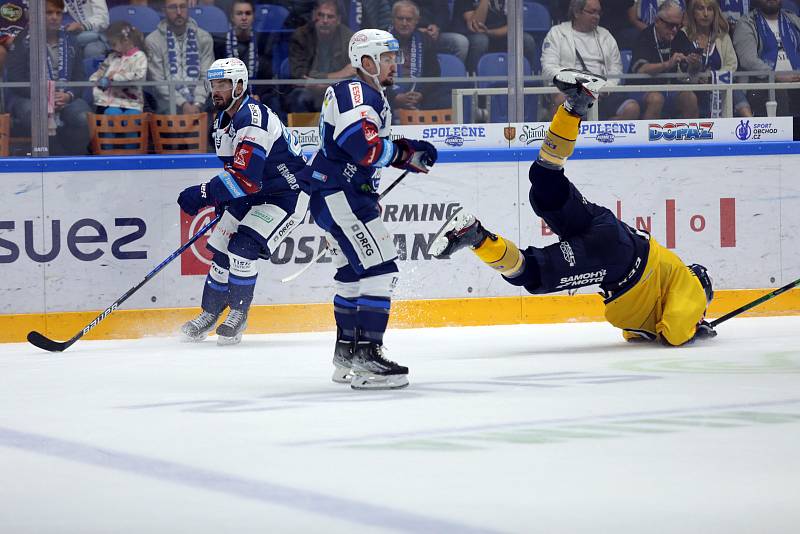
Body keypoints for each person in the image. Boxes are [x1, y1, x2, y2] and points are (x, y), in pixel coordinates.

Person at [431, 68, 717, 347]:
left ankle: (576, 105)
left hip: (612, 235)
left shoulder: (664, 289)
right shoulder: (690, 287)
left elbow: (639, 331)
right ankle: (476, 237)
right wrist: (695, 327)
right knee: (531, 274)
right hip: (615, 258)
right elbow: (675, 331)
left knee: (545, 182)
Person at [300, 28, 437, 389]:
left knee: (353, 274)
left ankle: (346, 355)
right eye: (387, 58)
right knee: (380, 268)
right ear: (366, 61)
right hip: (341, 195)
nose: (394, 64)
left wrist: (404, 154)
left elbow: (365, 148)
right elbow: (362, 146)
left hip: (339, 193)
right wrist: (405, 152)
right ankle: (367, 357)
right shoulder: (356, 91)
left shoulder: (366, 93)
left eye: (394, 57)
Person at [177, 57, 310, 345]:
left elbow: (246, 178)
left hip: (286, 194)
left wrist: (202, 193)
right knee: (221, 250)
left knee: (243, 247)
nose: (216, 90)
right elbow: (235, 171)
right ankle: (210, 313)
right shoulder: (222, 120)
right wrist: (222, 201)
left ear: (239, 85)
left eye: (223, 83)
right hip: (254, 193)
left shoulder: (253, 119)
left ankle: (238, 313)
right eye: (214, 83)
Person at [7, 0, 91, 155]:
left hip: (64, 96)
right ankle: (54, 159)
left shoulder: (71, 40)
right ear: (38, 15)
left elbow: (80, 77)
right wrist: (43, 94)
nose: (54, 17)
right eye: (49, 13)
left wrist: (68, 95)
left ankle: (74, 160)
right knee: (38, 115)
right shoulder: (23, 40)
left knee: (83, 117)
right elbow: (14, 78)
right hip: (30, 96)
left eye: (58, 13)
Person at [541, 0, 640, 119]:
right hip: (571, 90)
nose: (596, 16)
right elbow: (548, 69)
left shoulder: (606, 35)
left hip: (602, 92)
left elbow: (616, 69)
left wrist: (605, 88)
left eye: (598, 13)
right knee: (561, 100)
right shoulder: (557, 33)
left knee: (632, 109)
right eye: (592, 12)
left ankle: (603, 135)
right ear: (577, 13)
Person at [630, 0, 702, 118]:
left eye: (678, 25)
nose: (674, 30)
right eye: (670, 25)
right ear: (657, 21)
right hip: (642, 89)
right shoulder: (645, 36)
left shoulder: (679, 36)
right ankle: (647, 136)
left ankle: (691, 135)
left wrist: (694, 63)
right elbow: (641, 69)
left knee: (690, 98)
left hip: (670, 89)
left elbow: (691, 69)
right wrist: (667, 64)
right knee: (657, 99)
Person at [146, 0, 215, 114]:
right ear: (164, 11)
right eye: (173, 7)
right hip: (167, 101)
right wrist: (183, 103)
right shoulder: (153, 41)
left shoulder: (204, 37)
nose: (179, 12)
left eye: (182, 7)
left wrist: (198, 103)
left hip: (201, 98)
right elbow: (158, 81)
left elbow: (207, 75)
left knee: (213, 108)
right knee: (166, 109)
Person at [732, 0, 800, 116]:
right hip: (761, 84)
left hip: (796, 79)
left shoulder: (794, 20)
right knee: (778, 90)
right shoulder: (746, 23)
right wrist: (775, 76)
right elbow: (748, 60)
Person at [683, 0, 750, 117]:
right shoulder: (683, 35)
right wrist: (695, 78)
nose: (705, 14)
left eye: (710, 9)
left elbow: (732, 64)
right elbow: (679, 67)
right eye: (700, 8)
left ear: (715, 13)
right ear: (693, 12)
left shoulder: (722, 36)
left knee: (735, 92)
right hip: (692, 88)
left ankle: (751, 124)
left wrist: (713, 78)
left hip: (720, 87)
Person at [286, 0, 355, 113]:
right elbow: (299, 75)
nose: (325, 21)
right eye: (321, 15)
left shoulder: (349, 38)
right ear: (314, 16)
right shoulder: (301, 36)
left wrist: (319, 84)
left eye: (330, 16)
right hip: (308, 91)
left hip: (338, 89)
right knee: (299, 98)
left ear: (338, 20)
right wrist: (339, 75)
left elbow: (353, 75)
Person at [213, 0, 279, 107]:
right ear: (232, 17)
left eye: (248, 13)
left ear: (253, 17)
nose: (244, 18)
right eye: (239, 13)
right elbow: (217, 79)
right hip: (229, 97)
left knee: (274, 102)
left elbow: (267, 78)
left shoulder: (262, 43)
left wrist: (259, 96)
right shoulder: (221, 44)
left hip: (257, 97)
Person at [387, 0, 448, 112]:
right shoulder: (379, 41)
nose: (404, 23)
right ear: (393, 20)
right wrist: (394, 97)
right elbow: (373, 77)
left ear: (416, 21)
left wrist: (421, 94)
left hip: (418, 97)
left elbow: (433, 74)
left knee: (444, 95)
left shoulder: (426, 40)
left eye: (409, 19)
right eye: (400, 18)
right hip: (388, 97)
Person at [453, 0, 538, 74]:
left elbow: (513, 26)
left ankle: (524, 83)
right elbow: (475, 25)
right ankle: (474, 82)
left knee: (526, 41)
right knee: (481, 41)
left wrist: (489, 32)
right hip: (472, 35)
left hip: (497, 33)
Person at [90, 21, 148, 114]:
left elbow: (139, 76)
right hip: (113, 102)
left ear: (126, 40)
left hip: (133, 102)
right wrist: (95, 79)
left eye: (113, 44)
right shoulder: (111, 57)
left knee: (132, 118)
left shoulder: (140, 56)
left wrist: (115, 77)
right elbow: (101, 70)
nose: (111, 47)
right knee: (112, 114)